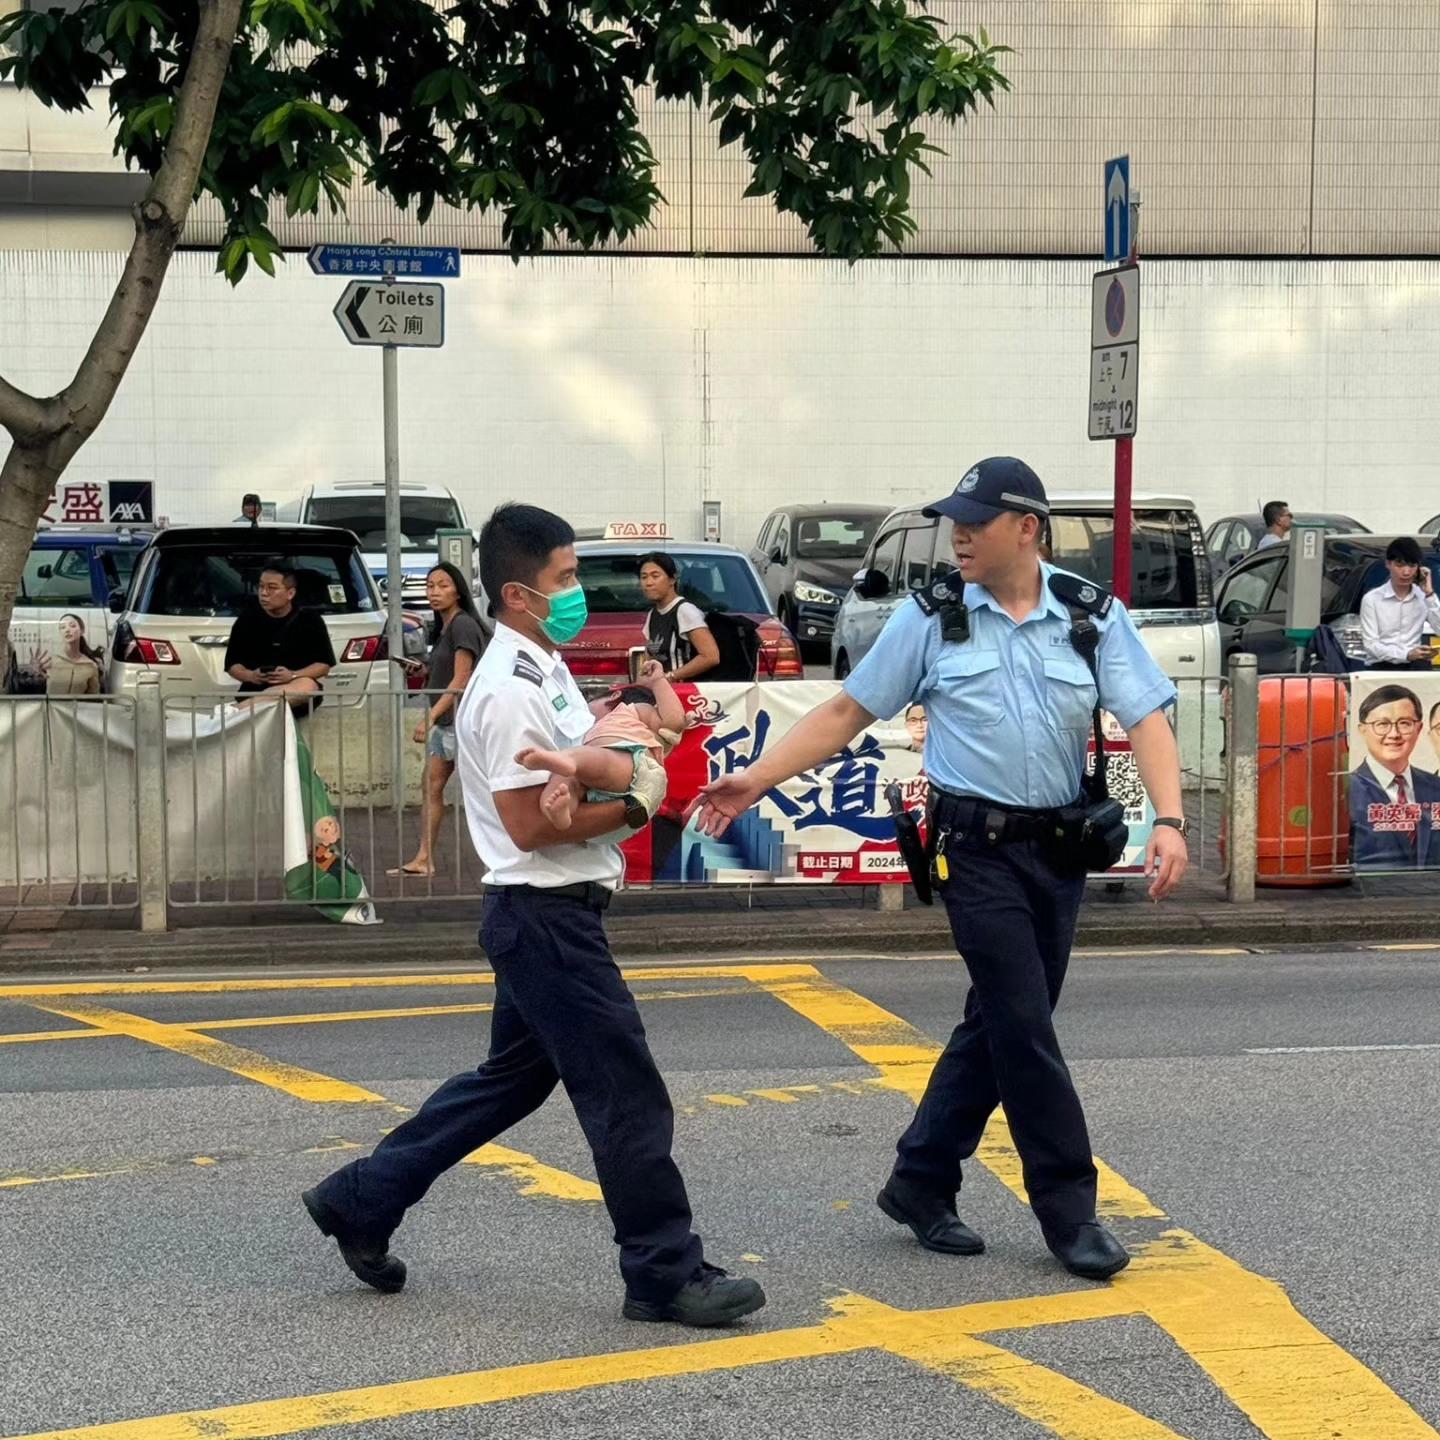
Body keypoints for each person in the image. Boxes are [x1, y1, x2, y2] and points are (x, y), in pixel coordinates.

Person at [691, 457, 1188, 1282]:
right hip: (974, 853)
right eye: (953, 519)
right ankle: (1070, 1213)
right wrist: (756, 778)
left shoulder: (1090, 615)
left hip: (1059, 853)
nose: (956, 534)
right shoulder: (932, 617)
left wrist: (1169, 821)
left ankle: (920, 1180)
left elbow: (1148, 715)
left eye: (976, 520)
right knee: (1025, 1027)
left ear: (1026, 529)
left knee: (999, 1023)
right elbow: (849, 709)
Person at [302, 502, 764, 1328]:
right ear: (520, 592)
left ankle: (361, 1197)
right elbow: (527, 826)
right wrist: (635, 809)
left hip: (545, 915)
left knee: (507, 1083)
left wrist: (632, 732)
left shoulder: (542, 663)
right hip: (546, 916)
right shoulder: (508, 690)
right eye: (565, 578)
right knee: (627, 1092)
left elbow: (585, 750)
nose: (577, 591)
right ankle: (664, 1271)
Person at [389, 563, 486, 877]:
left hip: (460, 722)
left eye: (443, 585)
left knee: (482, 791)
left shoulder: (463, 625)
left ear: (458, 590)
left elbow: (461, 678)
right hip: (447, 722)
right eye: (430, 586)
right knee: (431, 786)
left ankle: (501, 856)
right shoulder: (444, 627)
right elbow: (448, 672)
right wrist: (423, 671)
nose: (434, 592)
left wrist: (428, 717)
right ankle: (424, 857)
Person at [517, 658, 681, 831]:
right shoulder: (591, 734)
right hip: (594, 781)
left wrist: (658, 681)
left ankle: (566, 760)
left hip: (628, 765)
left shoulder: (636, 710)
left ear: (615, 695)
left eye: (589, 704)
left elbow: (675, 722)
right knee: (567, 783)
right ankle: (562, 813)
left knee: (579, 761)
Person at [1349, 684, 1440, 868]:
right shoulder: (1344, 790)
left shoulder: (1436, 787)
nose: (1394, 734)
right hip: (1371, 894)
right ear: (1362, 729)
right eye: (1382, 724)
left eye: (1405, 723)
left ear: (1419, 728)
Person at [224, 566, 334, 711]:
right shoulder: (247, 619)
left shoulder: (310, 620)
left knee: (307, 685)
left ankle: (238, 711)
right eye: (261, 586)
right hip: (255, 688)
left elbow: (323, 665)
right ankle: (250, 707)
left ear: (290, 593)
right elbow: (233, 664)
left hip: (295, 690)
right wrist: (251, 675)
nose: (264, 593)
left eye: (272, 588)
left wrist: (293, 675)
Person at [1359, 537, 1440, 670]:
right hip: (1381, 664)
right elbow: (1370, 644)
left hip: (1415, 664)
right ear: (1388, 564)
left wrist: (1429, 593)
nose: (1406, 572)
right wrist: (1406, 654)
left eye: (1412, 566)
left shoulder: (1422, 597)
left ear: (1419, 568)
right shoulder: (1372, 599)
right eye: (1399, 565)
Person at [640, 552, 719, 684]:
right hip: (661, 691)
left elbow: (710, 656)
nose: (648, 583)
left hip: (685, 693)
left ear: (672, 579)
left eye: (655, 576)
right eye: (644, 577)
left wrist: (671, 676)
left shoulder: (685, 611)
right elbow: (650, 657)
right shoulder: (652, 614)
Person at [41, 613, 104, 696]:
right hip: (51, 708)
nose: (67, 630)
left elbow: (94, 698)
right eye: (62, 627)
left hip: (77, 708)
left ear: (82, 630)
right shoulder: (51, 660)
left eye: (72, 626)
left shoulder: (90, 666)